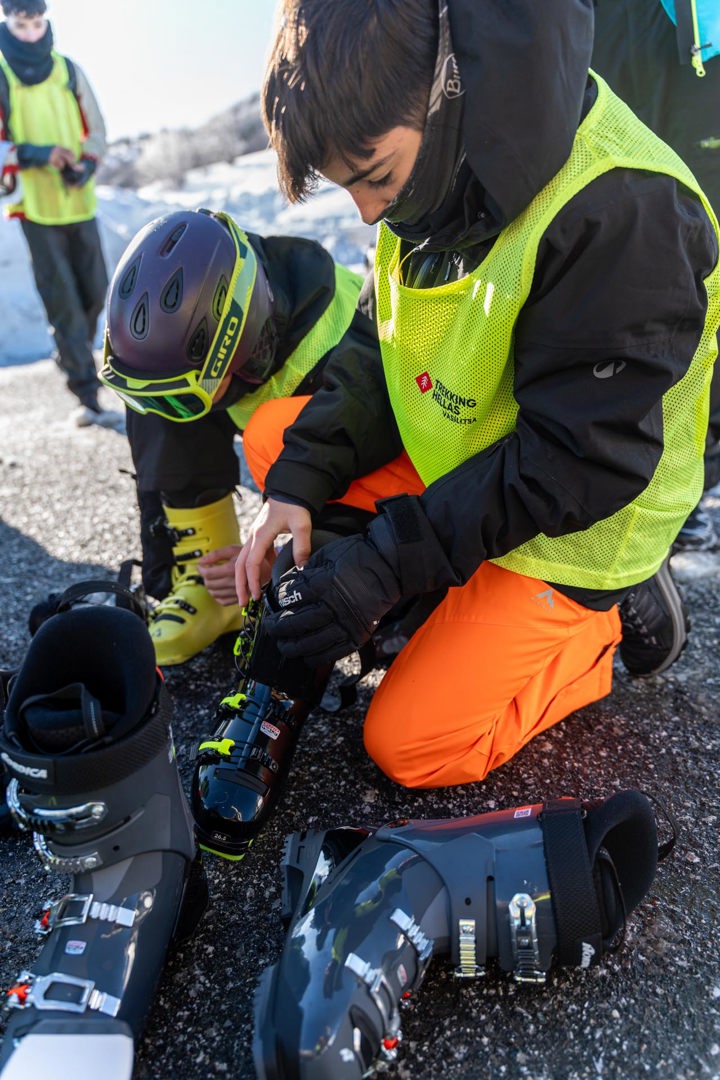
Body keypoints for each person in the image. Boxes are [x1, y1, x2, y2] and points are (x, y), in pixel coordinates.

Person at [229, 0, 719, 794]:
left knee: (411, 743)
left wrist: (384, 567)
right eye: (350, 188)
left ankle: (599, 628)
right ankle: (444, 584)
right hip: (472, 452)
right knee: (276, 449)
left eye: (374, 178)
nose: (367, 212)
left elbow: (574, 463)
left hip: (578, 519)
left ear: (448, 87)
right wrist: (297, 486)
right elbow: (379, 341)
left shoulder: (622, 205)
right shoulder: (429, 167)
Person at [100, 207, 365, 666]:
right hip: (259, 389)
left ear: (242, 348)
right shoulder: (222, 299)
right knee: (163, 378)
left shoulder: (333, 354)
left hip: (350, 441)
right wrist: (166, 566)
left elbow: (359, 500)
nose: (167, 417)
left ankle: (243, 580)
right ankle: (210, 587)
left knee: (278, 431)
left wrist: (277, 568)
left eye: (179, 401)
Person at [592, 0, 720, 550]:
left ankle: (693, 480)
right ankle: (635, 476)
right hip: (608, 34)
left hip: (698, 51)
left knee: (704, 265)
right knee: (614, 255)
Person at [0, 0, 121, 429]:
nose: (30, 32)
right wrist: (37, 155)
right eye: (20, 24)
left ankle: (72, 355)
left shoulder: (68, 69)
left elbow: (99, 129)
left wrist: (86, 164)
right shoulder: (1, 70)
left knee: (95, 292)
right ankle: (85, 391)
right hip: (34, 207)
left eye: (36, 23)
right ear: (7, 21)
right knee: (64, 303)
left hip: (79, 201)